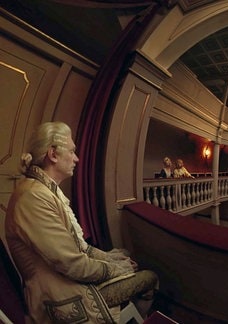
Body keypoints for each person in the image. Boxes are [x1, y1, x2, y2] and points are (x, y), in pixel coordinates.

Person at [5, 121, 159, 323]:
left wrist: (113, 259)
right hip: (61, 296)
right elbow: (72, 264)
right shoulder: (33, 197)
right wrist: (118, 269)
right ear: (53, 154)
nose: (76, 158)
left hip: (65, 279)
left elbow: (80, 248)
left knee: (124, 255)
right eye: (71, 151)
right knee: (150, 278)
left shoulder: (44, 190)